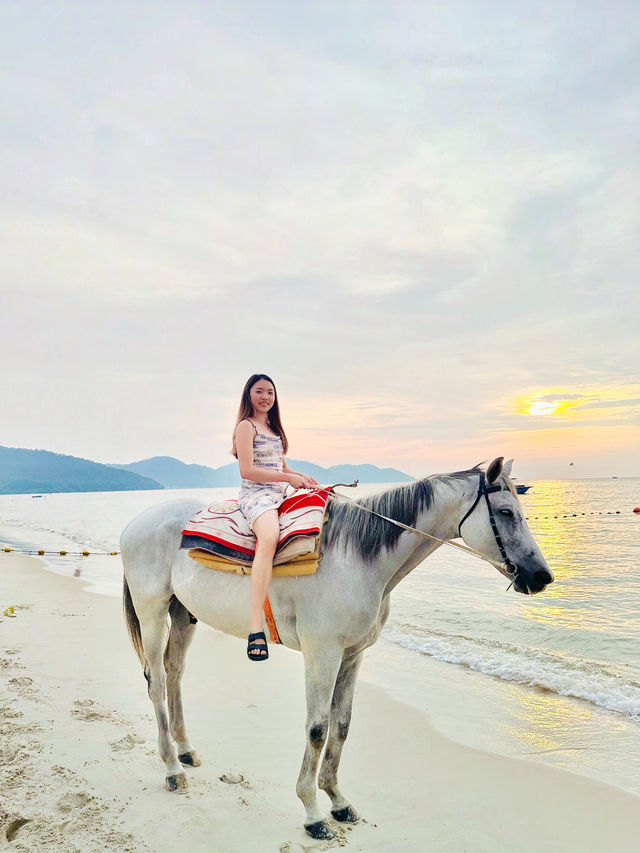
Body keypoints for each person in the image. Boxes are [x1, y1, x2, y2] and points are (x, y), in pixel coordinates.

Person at [232, 374, 318, 660]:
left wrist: (300, 477)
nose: (265, 397)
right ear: (249, 395)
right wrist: (287, 477)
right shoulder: (246, 427)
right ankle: (255, 624)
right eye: (259, 391)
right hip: (257, 494)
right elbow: (248, 471)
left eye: (270, 392)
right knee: (269, 537)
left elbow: (281, 464)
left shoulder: (272, 427)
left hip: (280, 490)